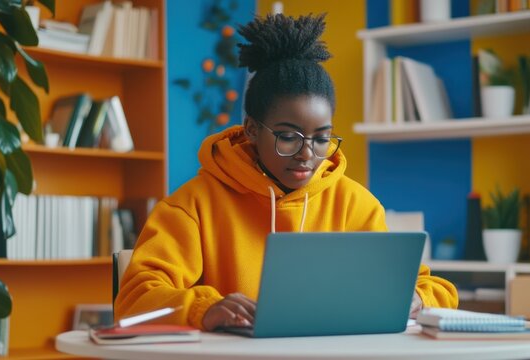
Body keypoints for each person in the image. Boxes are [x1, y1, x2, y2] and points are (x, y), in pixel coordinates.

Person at [114, 13, 458, 331]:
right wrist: (204, 307)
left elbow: (435, 289)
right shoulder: (193, 206)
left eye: (322, 138)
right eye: (288, 137)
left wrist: (418, 299)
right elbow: (134, 301)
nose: (307, 154)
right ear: (251, 129)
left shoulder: (358, 206)